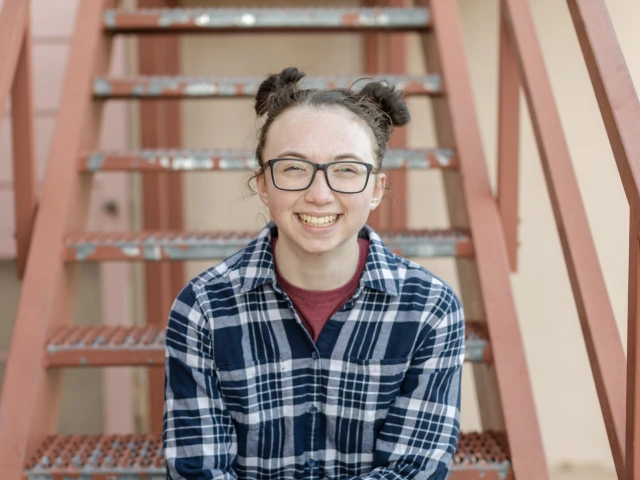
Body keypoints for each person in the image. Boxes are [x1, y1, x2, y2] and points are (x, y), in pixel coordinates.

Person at [163, 66, 465, 480]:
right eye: (292, 168)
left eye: (346, 169)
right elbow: (198, 470)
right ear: (263, 183)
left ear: (376, 188)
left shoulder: (430, 308)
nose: (319, 195)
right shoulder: (203, 309)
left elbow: (414, 470)